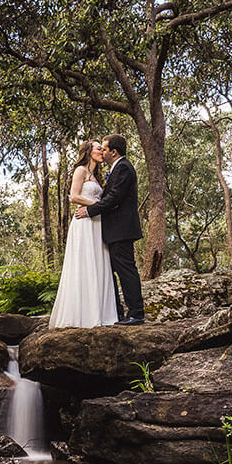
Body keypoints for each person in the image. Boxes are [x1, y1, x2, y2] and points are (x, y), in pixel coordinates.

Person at [48, 141, 120, 328]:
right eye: (98, 149)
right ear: (89, 152)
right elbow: (73, 197)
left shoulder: (96, 176)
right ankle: (81, 315)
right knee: (85, 263)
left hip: (97, 223)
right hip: (84, 222)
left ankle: (101, 313)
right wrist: (95, 206)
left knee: (99, 263)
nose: (102, 152)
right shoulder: (80, 170)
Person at [76, 134, 144, 324]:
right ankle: (116, 312)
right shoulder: (116, 169)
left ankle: (136, 314)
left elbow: (114, 198)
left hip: (121, 230)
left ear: (113, 152)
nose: (102, 152)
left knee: (125, 270)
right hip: (113, 230)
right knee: (111, 270)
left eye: (104, 149)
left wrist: (90, 210)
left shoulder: (123, 168)